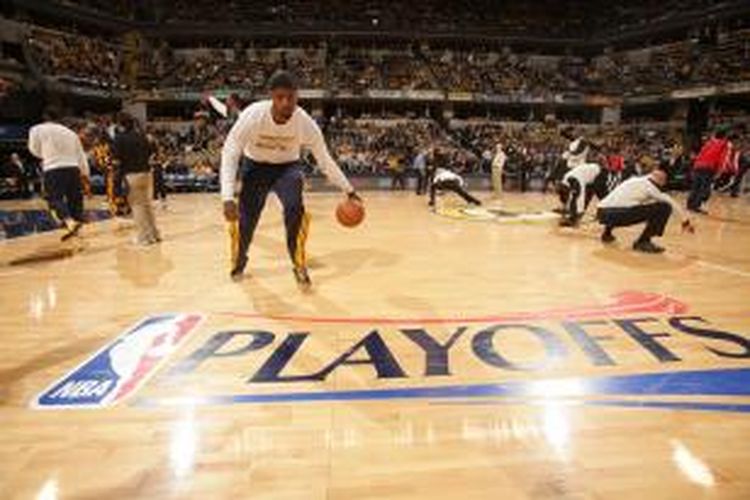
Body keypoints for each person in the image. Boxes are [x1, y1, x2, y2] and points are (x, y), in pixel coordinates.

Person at [220, 70, 362, 286]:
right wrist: (227, 197)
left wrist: (349, 190)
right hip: (255, 167)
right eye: (280, 97)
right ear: (271, 97)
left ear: (297, 97)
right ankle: (239, 258)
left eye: (291, 98)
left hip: (287, 168)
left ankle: (298, 263)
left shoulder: (305, 123)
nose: (286, 103)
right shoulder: (252, 115)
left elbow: (325, 160)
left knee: (296, 209)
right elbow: (230, 152)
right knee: (246, 220)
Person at [597, 169, 694, 254]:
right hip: (617, 215)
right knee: (664, 207)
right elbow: (672, 203)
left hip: (602, 213)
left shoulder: (634, 180)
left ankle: (607, 233)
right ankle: (643, 241)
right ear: (661, 182)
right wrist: (685, 221)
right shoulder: (652, 188)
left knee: (627, 203)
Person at [27, 109, 90, 241]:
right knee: (75, 200)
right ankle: (77, 231)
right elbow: (80, 154)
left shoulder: (37, 129)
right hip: (73, 168)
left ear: (45, 117)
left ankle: (69, 222)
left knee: (54, 198)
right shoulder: (71, 133)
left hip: (53, 168)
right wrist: (85, 173)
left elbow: (33, 149)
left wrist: (45, 154)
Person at [112, 112, 161, 246]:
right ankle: (154, 234)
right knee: (146, 205)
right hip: (146, 173)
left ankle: (143, 238)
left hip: (131, 174)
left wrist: (116, 181)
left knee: (137, 207)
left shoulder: (119, 138)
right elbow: (153, 152)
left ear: (120, 124)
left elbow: (116, 162)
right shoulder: (143, 136)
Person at [687, 128, 730, 214]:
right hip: (708, 168)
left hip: (698, 166)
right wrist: (720, 171)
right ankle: (696, 206)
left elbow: (701, 153)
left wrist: (695, 165)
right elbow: (723, 159)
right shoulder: (724, 144)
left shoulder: (709, 142)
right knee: (704, 188)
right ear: (724, 136)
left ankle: (690, 205)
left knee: (696, 186)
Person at [558, 162, 609, 227]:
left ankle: (575, 218)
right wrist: (565, 208)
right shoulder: (566, 181)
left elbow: (576, 198)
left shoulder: (574, 181)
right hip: (590, 176)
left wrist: (574, 215)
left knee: (602, 195)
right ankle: (576, 215)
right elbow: (565, 197)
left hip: (598, 174)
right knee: (587, 196)